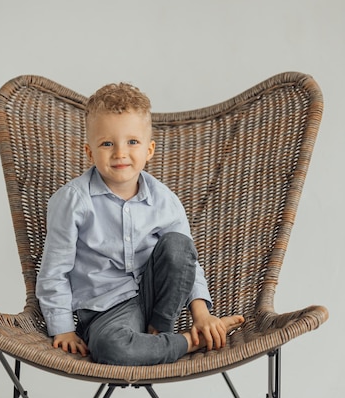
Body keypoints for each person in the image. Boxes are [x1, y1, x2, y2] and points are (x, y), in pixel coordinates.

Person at [35, 82, 244, 366]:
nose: (120, 153)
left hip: (157, 302)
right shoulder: (73, 201)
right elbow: (54, 271)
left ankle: (159, 329)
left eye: (132, 142)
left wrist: (202, 315)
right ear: (89, 152)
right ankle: (188, 343)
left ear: (149, 150)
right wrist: (64, 329)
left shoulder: (164, 199)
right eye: (107, 143)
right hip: (104, 312)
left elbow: (187, 265)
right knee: (111, 349)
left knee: (179, 245)